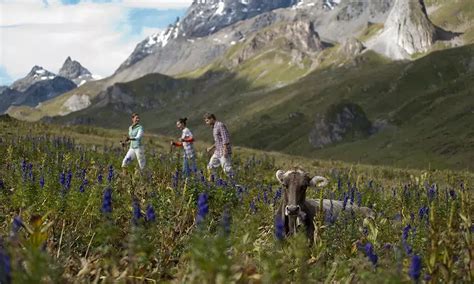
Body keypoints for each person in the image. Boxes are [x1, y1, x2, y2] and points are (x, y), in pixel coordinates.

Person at [203, 113, 234, 178]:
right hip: (217, 152)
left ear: (211, 118)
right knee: (210, 166)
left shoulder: (220, 125)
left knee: (227, 170)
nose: (206, 123)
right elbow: (218, 141)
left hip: (223, 151)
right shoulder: (214, 127)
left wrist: (225, 149)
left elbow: (225, 137)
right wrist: (211, 148)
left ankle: (235, 184)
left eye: (207, 121)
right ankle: (216, 182)